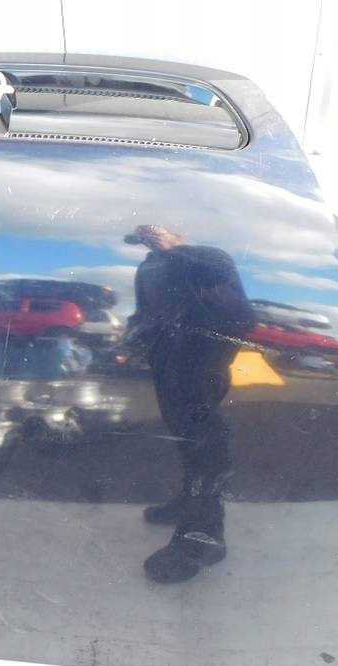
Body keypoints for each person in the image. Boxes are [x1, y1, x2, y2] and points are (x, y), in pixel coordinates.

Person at [124, 225, 255, 583]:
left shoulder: (208, 255)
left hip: (203, 354)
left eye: (157, 230)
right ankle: (189, 500)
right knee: (182, 432)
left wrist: (172, 250)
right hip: (165, 356)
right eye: (145, 233)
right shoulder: (148, 268)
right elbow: (146, 310)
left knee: (203, 435)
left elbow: (223, 284)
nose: (149, 237)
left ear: (178, 233)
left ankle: (204, 536)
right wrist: (133, 332)